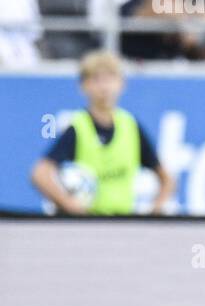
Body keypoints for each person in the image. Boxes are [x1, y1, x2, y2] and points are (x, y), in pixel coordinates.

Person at [30, 50, 175, 215]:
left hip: (123, 221)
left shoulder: (130, 126)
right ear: (83, 86)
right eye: (96, 80)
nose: (104, 87)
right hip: (88, 223)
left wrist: (156, 208)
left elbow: (166, 178)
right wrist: (70, 205)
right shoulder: (78, 127)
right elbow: (40, 173)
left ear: (122, 83)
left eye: (110, 79)